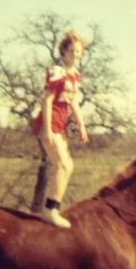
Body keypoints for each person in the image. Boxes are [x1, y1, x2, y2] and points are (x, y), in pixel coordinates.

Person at [32, 31, 89, 228]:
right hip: (49, 122)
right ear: (63, 51)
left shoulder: (75, 76)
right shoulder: (57, 72)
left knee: (68, 166)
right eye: (71, 50)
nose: (75, 53)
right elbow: (47, 100)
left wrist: (81, 125)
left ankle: (53, 207)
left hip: (61, 123)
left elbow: (73, 102)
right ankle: (49, 212)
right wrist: (47, 130)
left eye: (78, 51)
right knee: (62, 165)